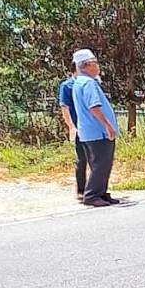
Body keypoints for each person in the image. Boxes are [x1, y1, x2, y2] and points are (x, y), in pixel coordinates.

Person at [70, 48, 121, 207]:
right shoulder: (88, 83)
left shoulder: (79, 82)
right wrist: (107, 125)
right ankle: (92, 195)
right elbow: (94, 106)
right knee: (101, 165)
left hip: (87, 132)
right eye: (95, 63)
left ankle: (101, 193)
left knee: (98, 164)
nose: (98, 66)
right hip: (97, 131)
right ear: (87, 66)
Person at [57, 67, 88, 202]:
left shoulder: (88, 83)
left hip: (90, 126)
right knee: (82, 159)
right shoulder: (67, 86)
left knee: (96, 160)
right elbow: (65, 108)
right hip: (79, 127)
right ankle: (81, 190)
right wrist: (71, 127)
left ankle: (94, 189)